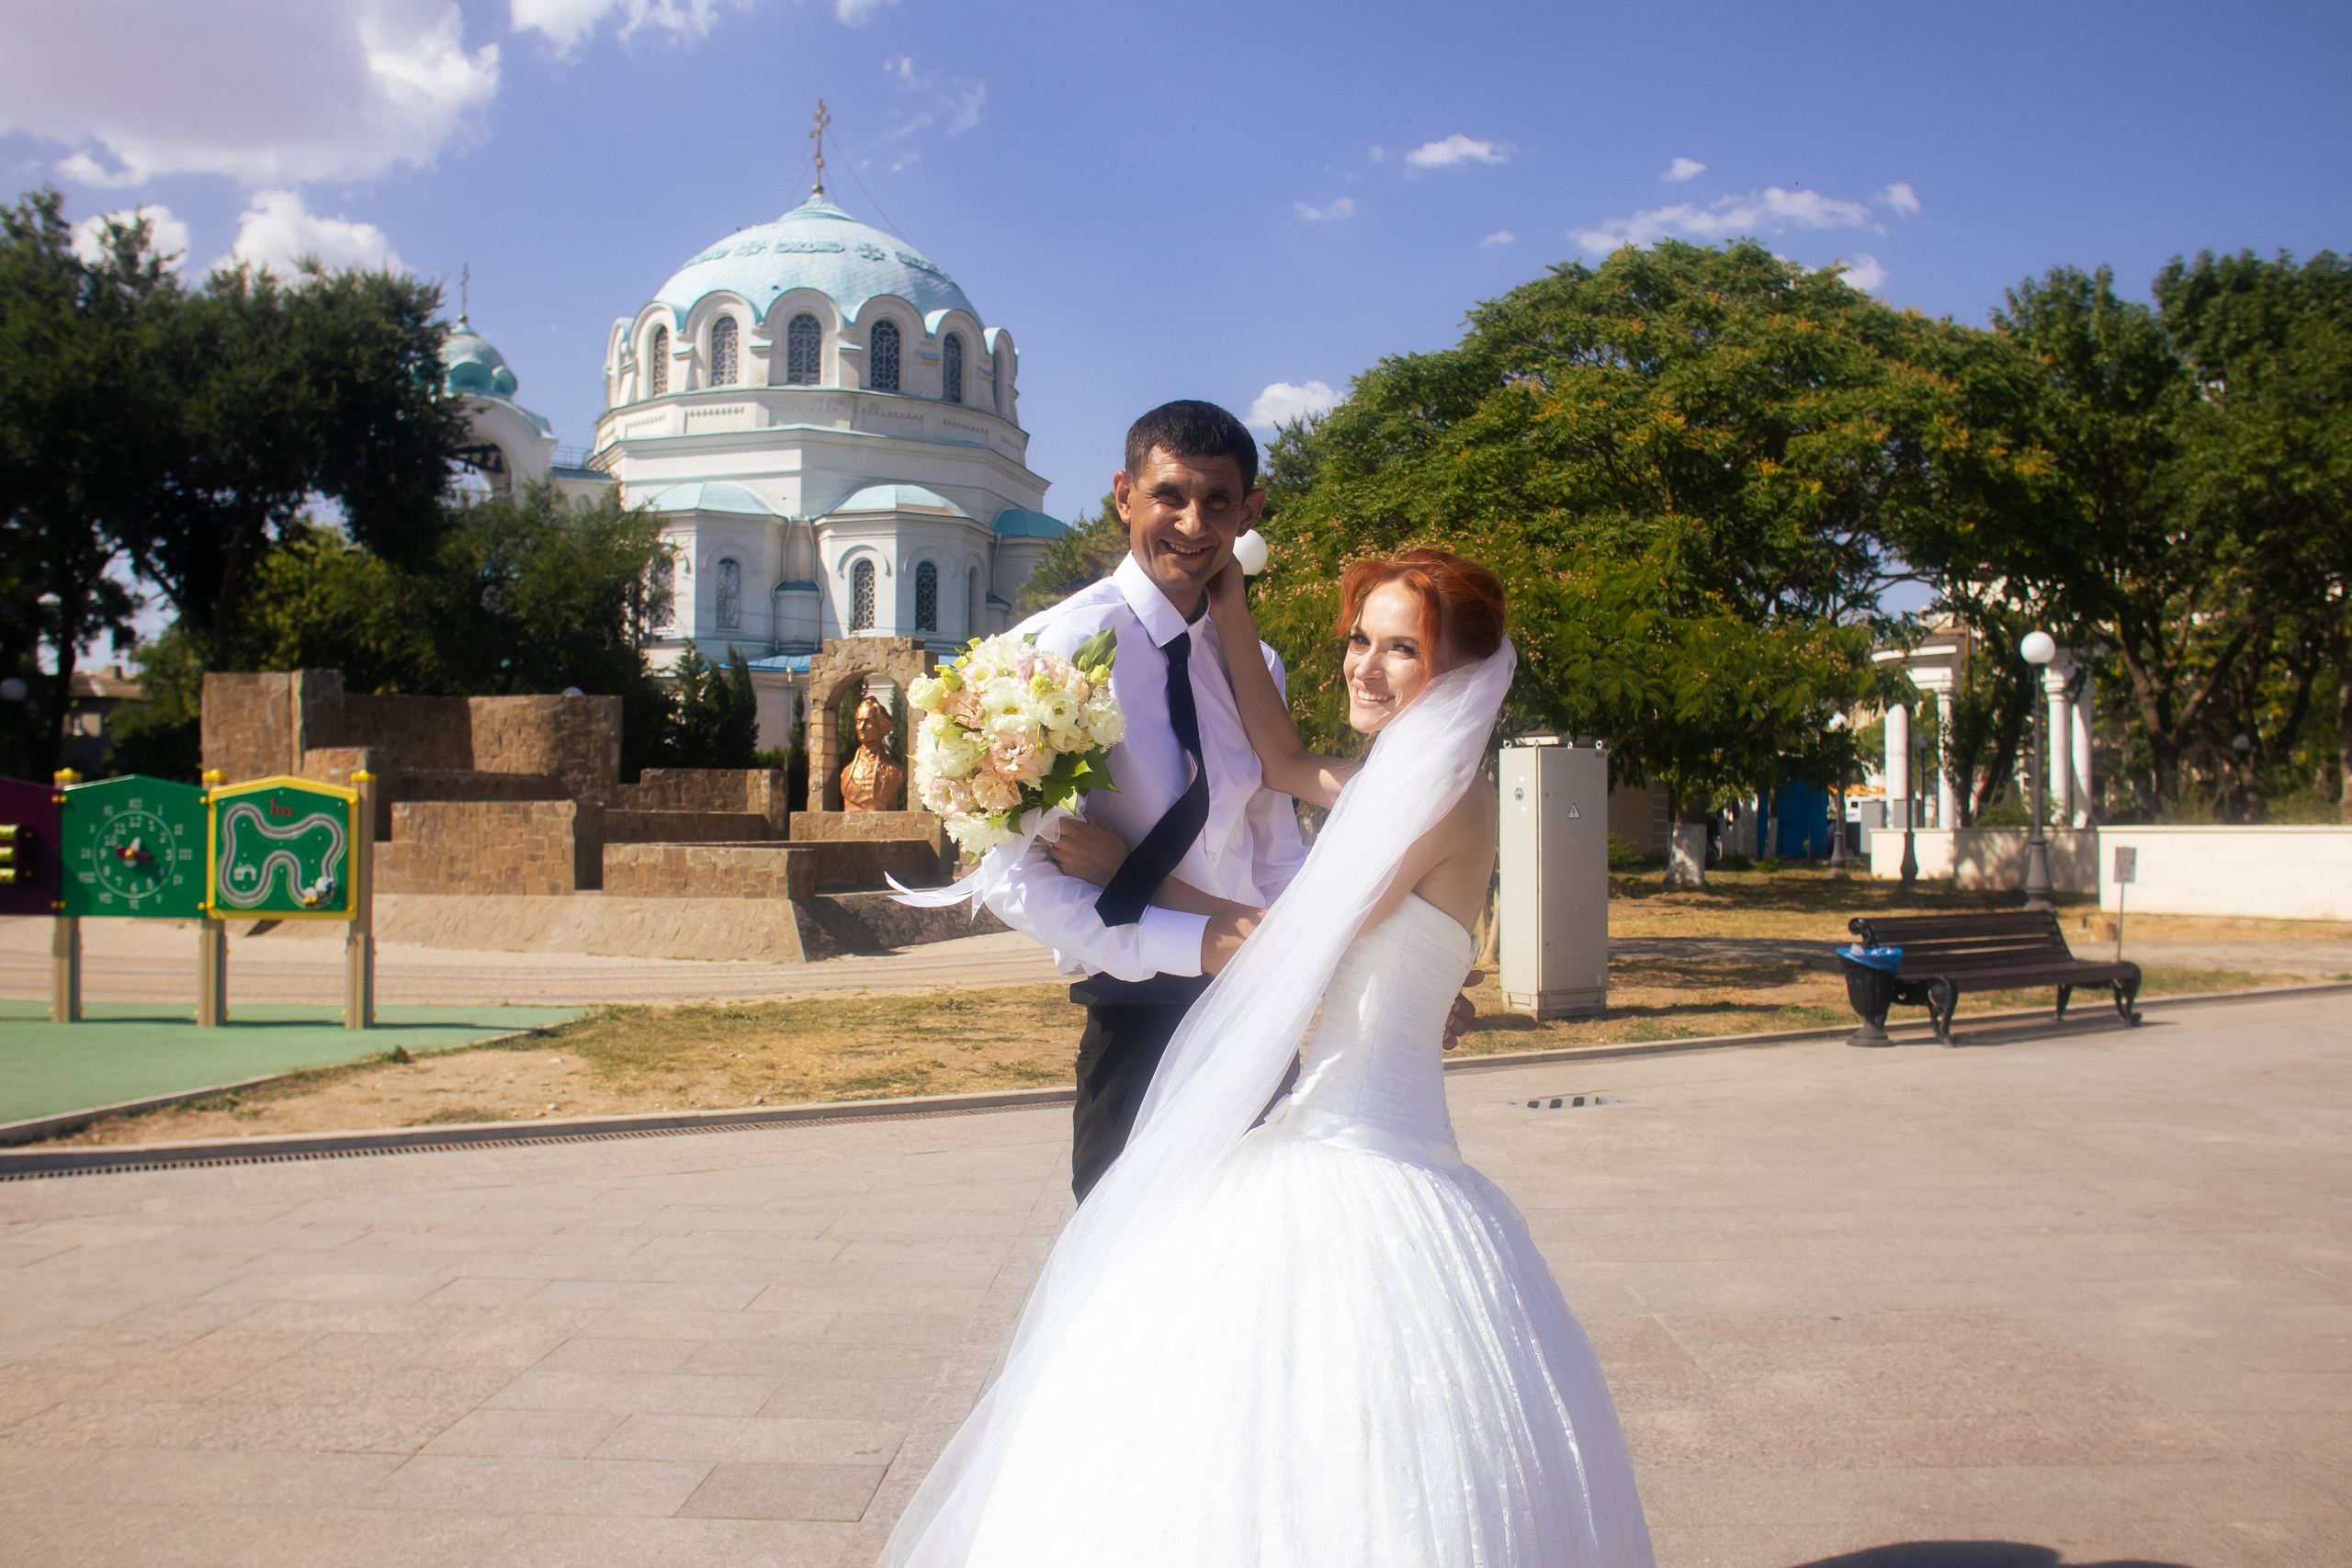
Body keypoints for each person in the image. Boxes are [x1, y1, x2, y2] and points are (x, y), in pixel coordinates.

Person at [881, 549, 1654, 1566]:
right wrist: (1230, 609)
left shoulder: (1431, 797)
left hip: (1369, 1149)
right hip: (1339, 1124)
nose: (1365, 668)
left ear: (1458, 671)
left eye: (1400, 650)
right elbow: (1282, 758)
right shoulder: (1397, 779)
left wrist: (1133, 870)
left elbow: (1293, 941)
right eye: (1358, 640)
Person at [982, 400, 1310, 1201]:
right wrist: (1190, 944)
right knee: (1128, 1294)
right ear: (1124, 495)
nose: (1193, 523)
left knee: (1263, 1275)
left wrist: (1307, 962)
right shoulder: (1053, 651)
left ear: (1250, 512)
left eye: (1219, 501)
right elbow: (1013, 876)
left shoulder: (1255, 663)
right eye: (1170, 495)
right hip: (1136, 1020)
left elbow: (1275, 842)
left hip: (1254, 1015)